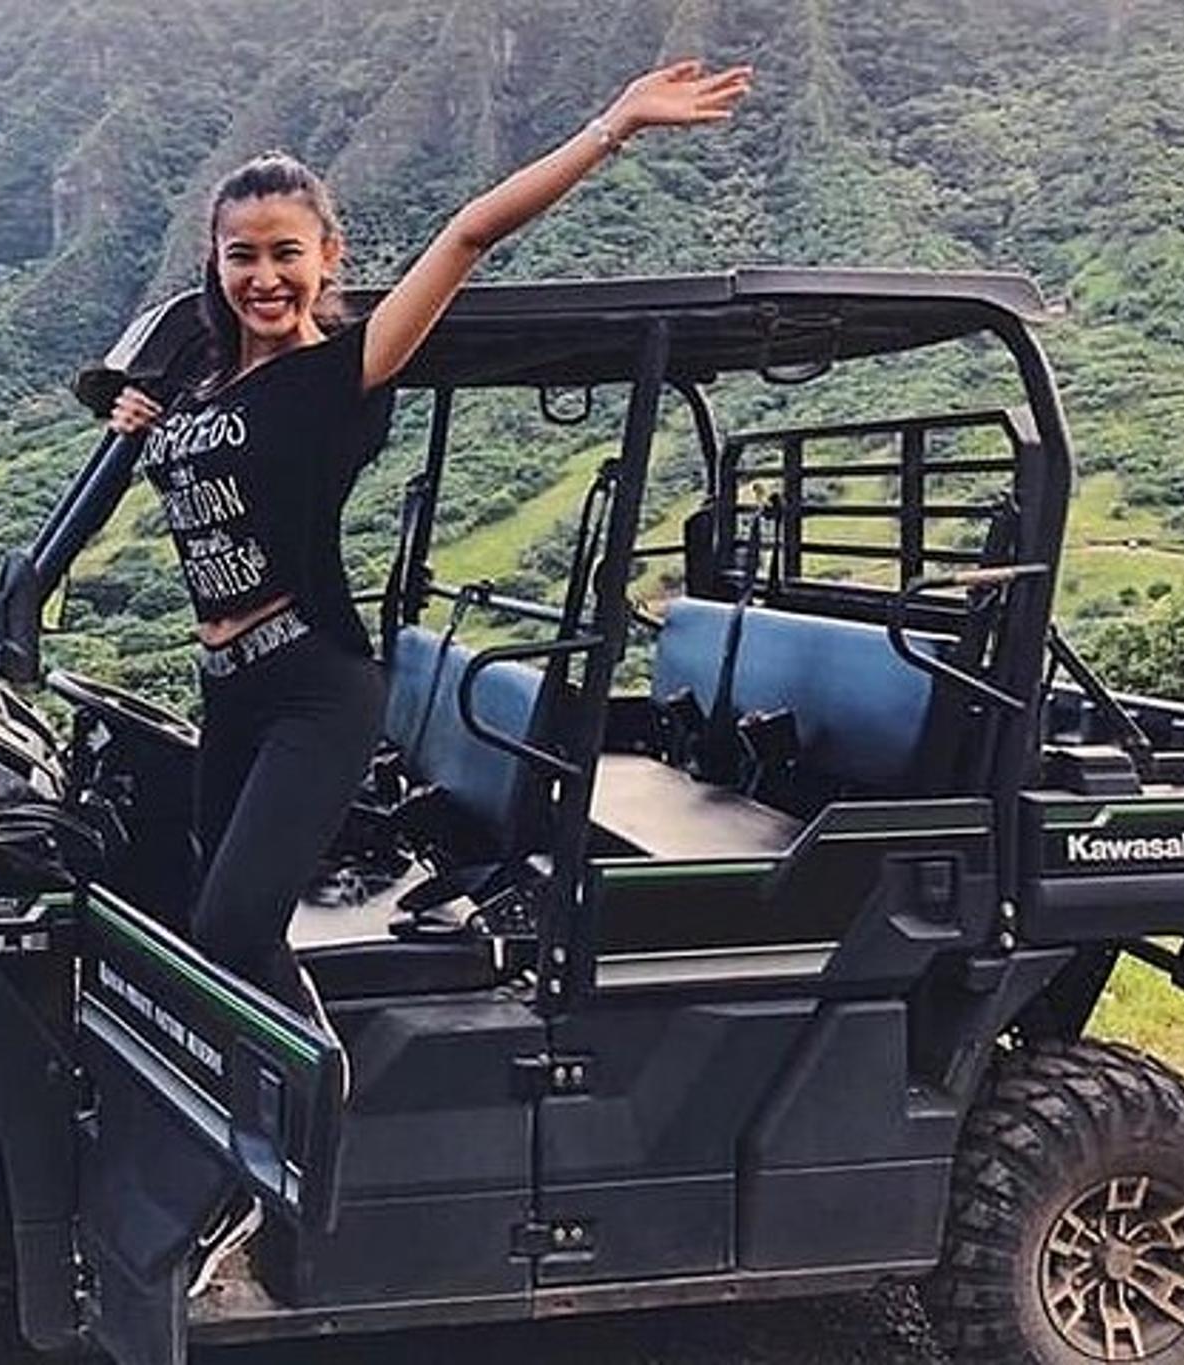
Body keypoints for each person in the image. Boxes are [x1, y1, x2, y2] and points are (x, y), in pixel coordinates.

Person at [105, 57, 752, 1291]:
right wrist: (130, 415)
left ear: (327, 255)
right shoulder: (200, 370)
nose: (264, 276)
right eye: (242, 254)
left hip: (313, 685)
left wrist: (610, 126)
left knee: (233, 922)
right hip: (229, 687)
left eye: (286, 252)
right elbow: (150, 420)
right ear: (215, 255)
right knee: (207, 921)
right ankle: (248, 1116)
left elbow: (467, 233)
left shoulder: (335, 374)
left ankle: (294, 1141)